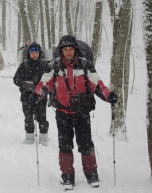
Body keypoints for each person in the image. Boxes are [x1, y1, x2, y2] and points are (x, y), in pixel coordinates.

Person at [34, 35, 118, 190]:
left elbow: (97, 84)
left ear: (75, 50)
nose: (68, 52)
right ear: (61, 51)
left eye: (71, 49)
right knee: (65, 146)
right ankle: (67, 177)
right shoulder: (54, 66)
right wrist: (37, 94)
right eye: (65, 49)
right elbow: (44, 83)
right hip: (62, 112)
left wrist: (108, 95)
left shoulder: (86, 65)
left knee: (86, 144)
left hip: (82, 112)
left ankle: (91, 174)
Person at [13, 42, 50, 146]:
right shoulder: (24, 65)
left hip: (41, 96)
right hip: (26, 96)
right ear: (29, 53)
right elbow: (16, 79)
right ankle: (29, 136)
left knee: (42, 117)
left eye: (36, 52)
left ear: (39, 53)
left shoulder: (45, 64)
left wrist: (43, 90)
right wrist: (26, 85)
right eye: (32, 52)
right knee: (28, 117)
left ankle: (44, 136)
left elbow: (50, 80)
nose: (34, 54)